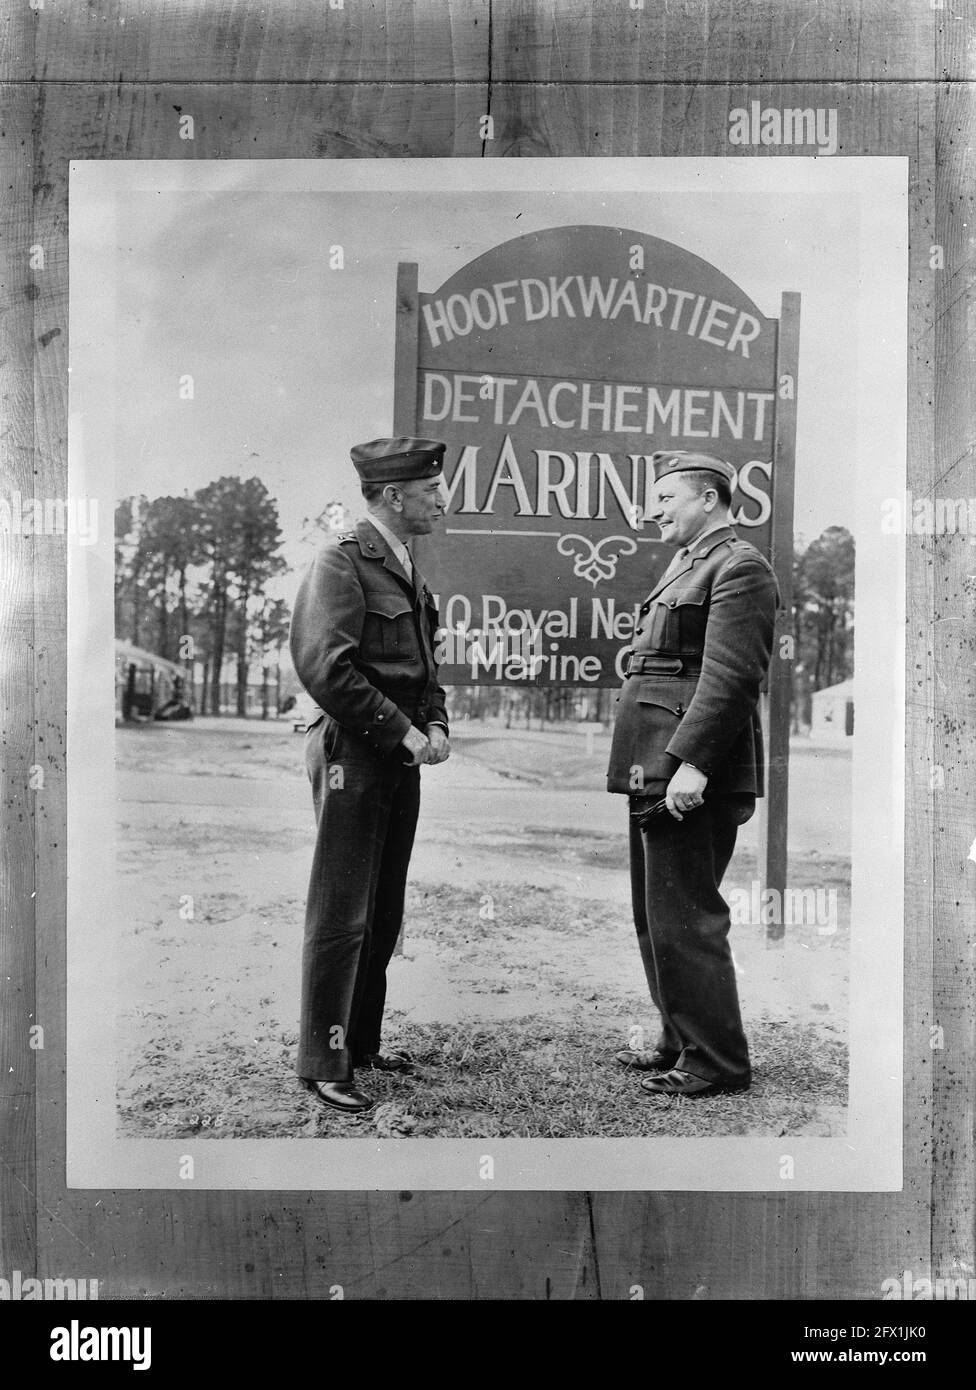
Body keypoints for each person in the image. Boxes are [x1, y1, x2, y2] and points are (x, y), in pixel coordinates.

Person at [606, 450, 779, 1098]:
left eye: (666, 499)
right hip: (653, 763)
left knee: (687, 915)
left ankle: (717, 1061)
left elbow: (732, 677)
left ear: (708, 499)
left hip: (687, 771)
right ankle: (680, 1040)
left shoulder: (740, 566)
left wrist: (694, 765)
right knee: (655, 915)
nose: (654, 512)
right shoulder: (687, 563)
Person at [289, 436, 450, 1114]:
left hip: (399, 756)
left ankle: (360, 1042)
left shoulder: (406, 569)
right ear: (392, 496)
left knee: (382, 909)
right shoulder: (342, 561)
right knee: (342, 910)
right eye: (431, 490)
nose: (442, 500)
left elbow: (425, 670)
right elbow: (325, 667)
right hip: (353, 756)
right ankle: (323, 1061)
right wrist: (403, 730)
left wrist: (435, 723)